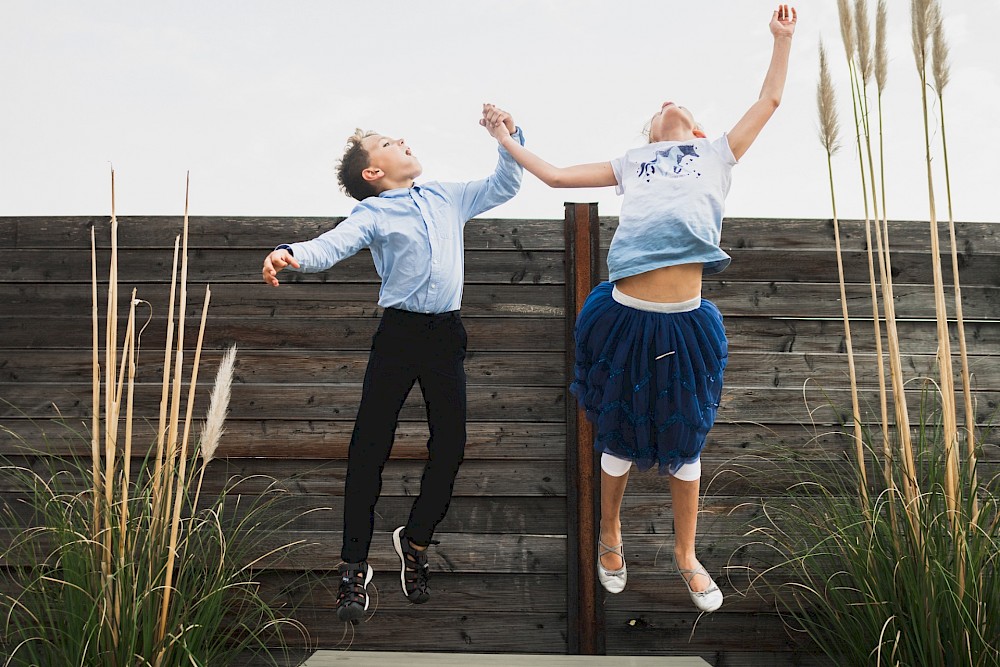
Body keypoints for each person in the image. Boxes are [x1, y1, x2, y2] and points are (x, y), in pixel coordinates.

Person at [481, 5, 796, 613]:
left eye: (682, 108)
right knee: (619, 440)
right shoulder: (631, 163)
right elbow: (552, 176)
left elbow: (770, 101)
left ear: (700, 133)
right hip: (625, 316)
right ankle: (611, 534)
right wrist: (505, 138)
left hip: (687, 323)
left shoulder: (718, 155)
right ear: (648, 134)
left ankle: (684, 555)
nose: (669, 102)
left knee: (686, 445)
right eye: (657, 110)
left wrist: (781, 40)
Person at [262, 107, 524, 621]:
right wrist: (288, 253)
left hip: (446, 334)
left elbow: (505, 183)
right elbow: (329, 246)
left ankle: (417, 541)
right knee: (369, 450)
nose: (402, 139)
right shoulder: (373, 215)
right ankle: (353, 568)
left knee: (450, 447)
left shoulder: (449, 196)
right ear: (372, 173)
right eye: (387, 142)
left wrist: (506, 136)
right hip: (399, 336)